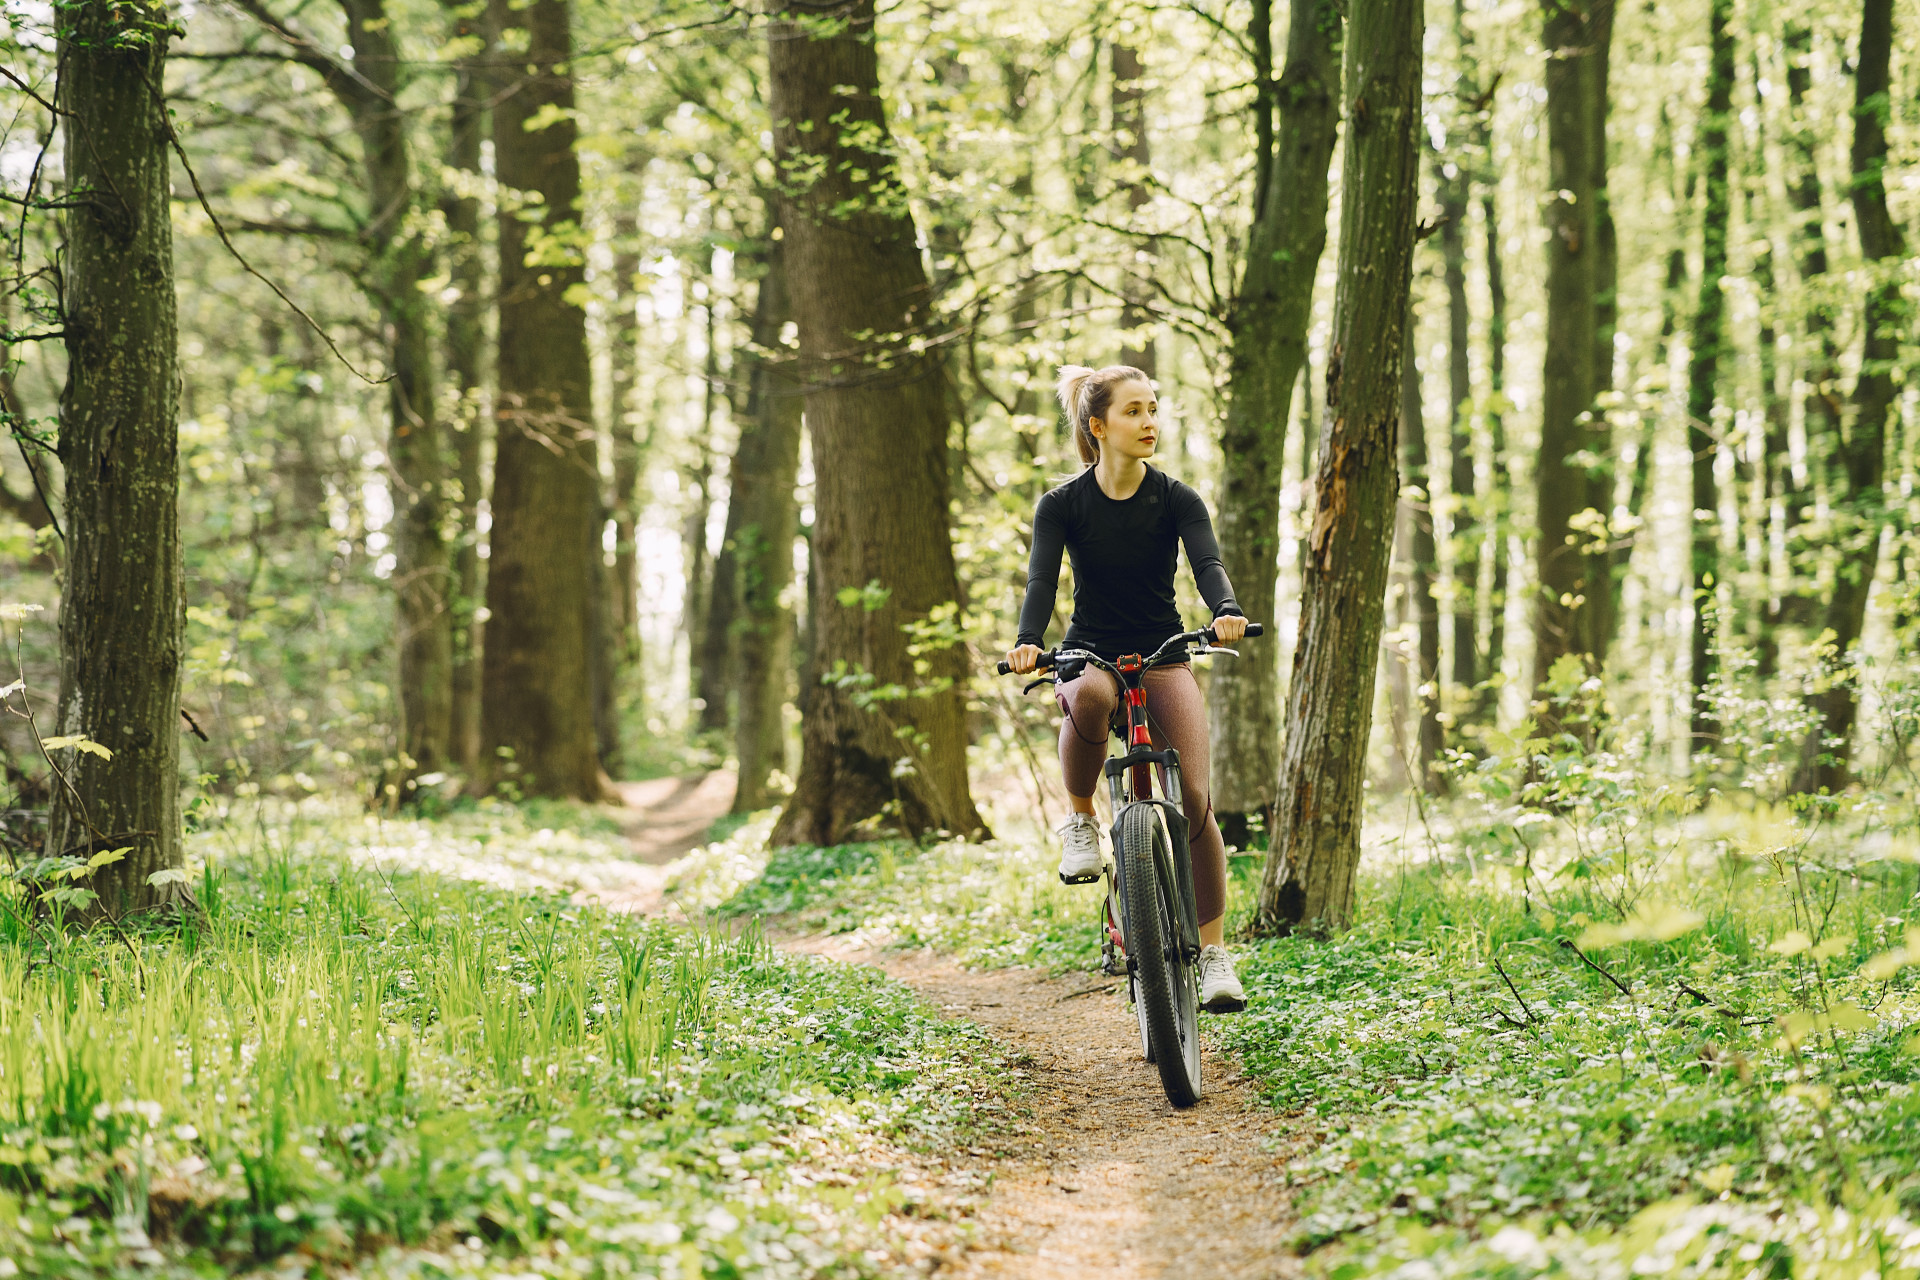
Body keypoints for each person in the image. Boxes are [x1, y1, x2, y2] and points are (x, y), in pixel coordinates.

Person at [1004, 364, 1249, 1013]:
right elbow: (1041, 583)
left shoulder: (1176, 498)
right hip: (1092, 650)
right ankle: (1082, 819)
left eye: (1154, 409)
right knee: (1087, 696)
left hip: (1165, 652)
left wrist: (1225, 610)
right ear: (1098, 425)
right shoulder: (1062, 505)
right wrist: (1030, 640)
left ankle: (1215, 955)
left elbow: (1207, 562)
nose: (1149, 422)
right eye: (1135, 411)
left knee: (1194, 797)